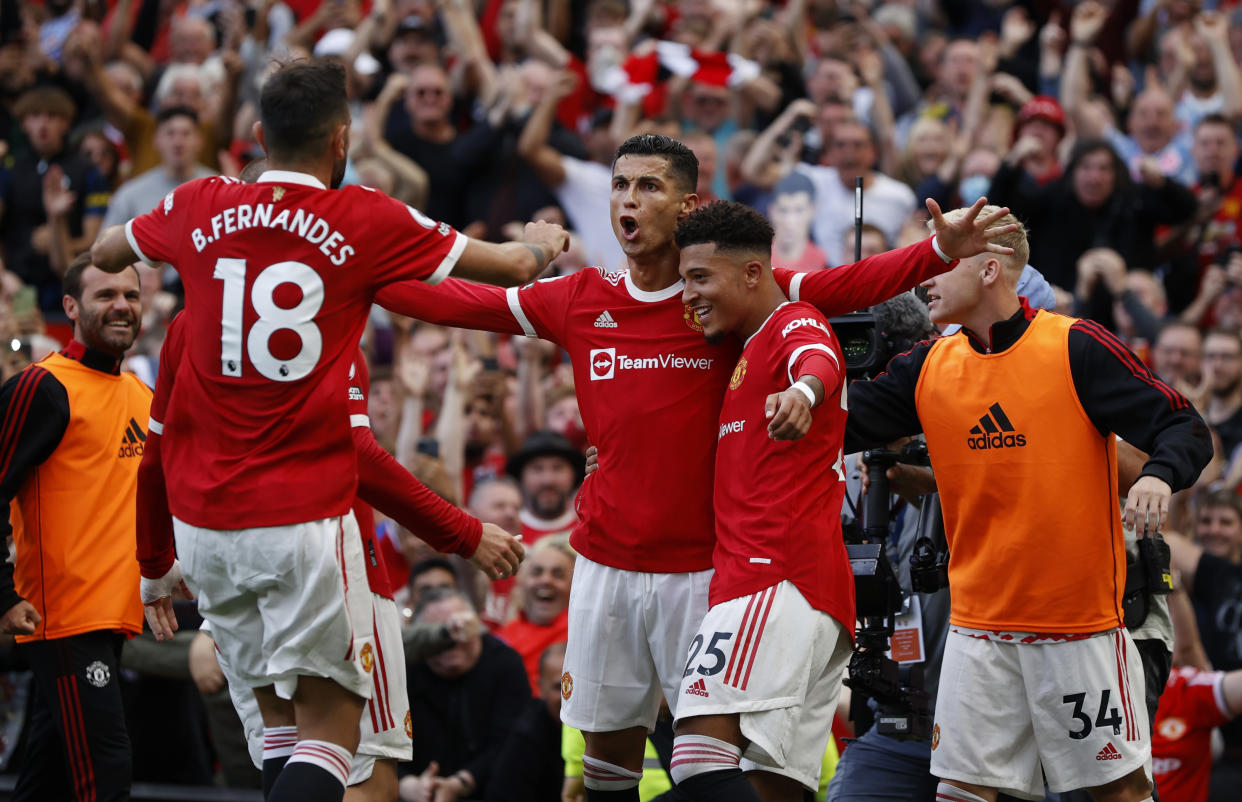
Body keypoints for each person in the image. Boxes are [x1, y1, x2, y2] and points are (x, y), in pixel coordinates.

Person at [376, 132, 1016, 802]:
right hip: (606, 564)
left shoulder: (720, 294)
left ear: (686, 207)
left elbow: (843, 288)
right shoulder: (579, 298)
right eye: (621, 185)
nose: (629, 199)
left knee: (709, 761)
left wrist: (938, 251)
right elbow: (451, 301)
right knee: (605, 768)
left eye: (649, 186)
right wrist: (356, 275)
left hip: (708, 571)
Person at [89, 58, 563, 802]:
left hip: (206, 532)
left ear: (255, 134)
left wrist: (118, 249)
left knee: (279, 729)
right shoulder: (365, 221)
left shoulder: (197, 204)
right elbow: (507, 265)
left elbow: (111, 251)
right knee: (337, 744)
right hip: (301, 519)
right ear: (341, 140)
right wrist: (541, 242)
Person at [843, 205, 1213, 802]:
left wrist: (1160, 478)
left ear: (990, 269)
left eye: (941, 261)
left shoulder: (1075, 346)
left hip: (1077, 629)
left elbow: (1185, 427)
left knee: (1117, 792)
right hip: (977, 626)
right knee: (960, 792)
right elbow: (837, 421)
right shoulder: (930, 365)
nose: (923, 278)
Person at [138, 312, 510, 801]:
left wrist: (154, 559)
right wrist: (464, 532)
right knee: (360, 771)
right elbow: (360, 454)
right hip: (318, 554)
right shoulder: (321, 308)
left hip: (216, 550)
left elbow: (156, 451)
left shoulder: (191, 320)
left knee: (284, 737)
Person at [669, 200, 854, 802]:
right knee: (772, 786)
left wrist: (804, 391)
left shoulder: (791, 322)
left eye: (700, 278)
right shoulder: (743, 349)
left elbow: (818, 356)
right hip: (809, 591)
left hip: (772, 576)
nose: (688, 295)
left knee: (698, 757)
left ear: (752, 274)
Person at [0, 252, 148, 801]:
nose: (121, 307)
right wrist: (3, 595)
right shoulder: (41, 388)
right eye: (105, 295)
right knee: (106, 772)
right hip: (61, 618)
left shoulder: (140, 395)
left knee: (50, 776)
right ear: (70, 307)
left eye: (130, 296)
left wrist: (161, 573)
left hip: (112, 617)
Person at [400, 588, 531, 802]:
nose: (454, 641)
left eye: (462, 630)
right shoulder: (403, 668)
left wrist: (462, 782)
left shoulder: (506, 663)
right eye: (442, 633)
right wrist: (406, 785)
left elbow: (512, 742)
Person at [495, 536, 574, 690]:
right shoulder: (501, 641)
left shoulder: (582, 637)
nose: (546, 580)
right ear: (522, 581)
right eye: (537, 572)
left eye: (558, 575)